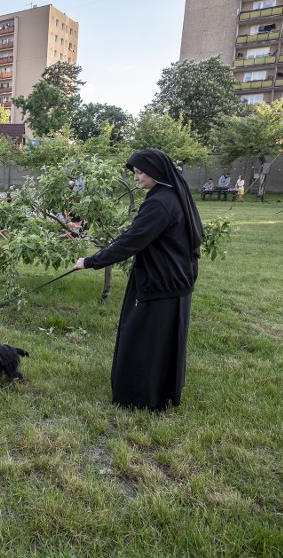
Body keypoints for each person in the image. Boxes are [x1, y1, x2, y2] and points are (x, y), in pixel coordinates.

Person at [74, 148, 203, 411]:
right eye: (135, 172)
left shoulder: (160, 202)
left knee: (142, 339)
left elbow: (131, 241)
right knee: (159, 341)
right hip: (175, 281)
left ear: (156, 172)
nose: (136, 178)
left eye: (140, 172)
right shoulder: (171, 195)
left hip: (160, 283)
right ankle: (157, 393)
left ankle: (140, 398)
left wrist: (90, 261)